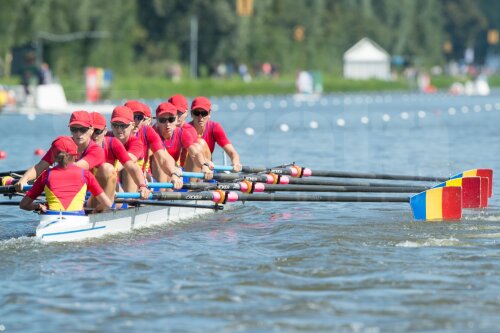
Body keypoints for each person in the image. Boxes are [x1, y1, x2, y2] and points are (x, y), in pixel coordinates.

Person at [15, 110, 105, 192]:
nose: (78, 134)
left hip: (94, 195)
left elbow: (75, 169)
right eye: (74, 129)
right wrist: (24, 180)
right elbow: (39, 167)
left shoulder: (97, 151)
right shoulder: (63, 145)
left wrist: (51, 172)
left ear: (91, 130)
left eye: (83, 130)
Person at [20, 136, 112, 213]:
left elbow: (24, 205)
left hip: (51, 218)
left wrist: (39, 206)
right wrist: (96, 210)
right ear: (75, 155)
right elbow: (107, 203)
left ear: (53, 156)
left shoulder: (45, 175)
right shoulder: (86, 174)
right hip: (77, 219)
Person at [89, 112, 150, 202]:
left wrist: (142, 186)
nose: (94, 136)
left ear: (105, 131)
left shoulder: (113, 143)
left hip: (111, 189)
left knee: (112, 169)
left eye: (97, 132)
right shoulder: (76, 144)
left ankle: (129, 203)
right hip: (90, 192)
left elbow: (132, 167)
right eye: (90, 131)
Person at [125, 100, 183, 189]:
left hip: (141, 181)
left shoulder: (147, 131)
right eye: (133, 117)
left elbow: (163, 159)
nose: (136, 121)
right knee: (130, 165)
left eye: (139, 117)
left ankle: (163, 198)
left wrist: (173, 174)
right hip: (121, 179)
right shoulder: (113, 136)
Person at [153, 102, 213, 180]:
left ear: (176, 119)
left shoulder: (182, 132)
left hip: (174, 172)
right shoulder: (152, 133)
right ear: (157, 120)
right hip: (154, 176)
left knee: (198, 146)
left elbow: (194, 153)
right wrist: (173, 172)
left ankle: (191, 188)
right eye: (162, 120)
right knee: (159, 157)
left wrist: (203, 165)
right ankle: (164, 189)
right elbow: (163, 159)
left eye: (171, 119)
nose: (167, 124)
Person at [188, 96, 242, 171]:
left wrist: (235, 162)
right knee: (200, 143)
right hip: (189, 170)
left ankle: (207, 175)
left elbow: (232, 152)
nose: (200, 117)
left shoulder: (215, 127)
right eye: (196, 113)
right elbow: (193, 154)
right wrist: (205, 162)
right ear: (191, 114)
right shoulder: (186, 130)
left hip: (208, 169)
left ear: (209, 113)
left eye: (204, 113)